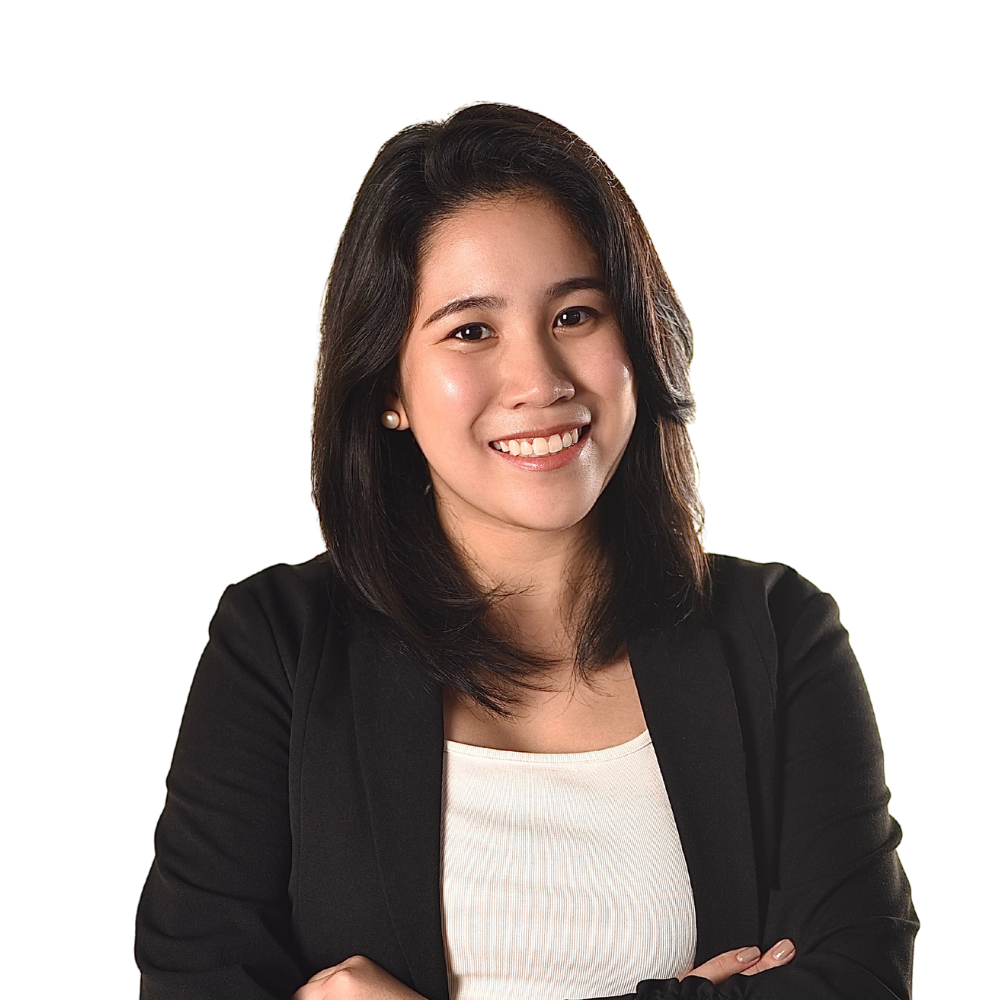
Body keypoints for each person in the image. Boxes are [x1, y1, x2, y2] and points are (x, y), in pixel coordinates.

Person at [134, 101, 918, 999]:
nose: (540, 381)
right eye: (471, 330)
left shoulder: (779, 632)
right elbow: (192, 983)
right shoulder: (278, 643)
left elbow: (860, 980)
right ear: (388, 386)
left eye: (576, 314)